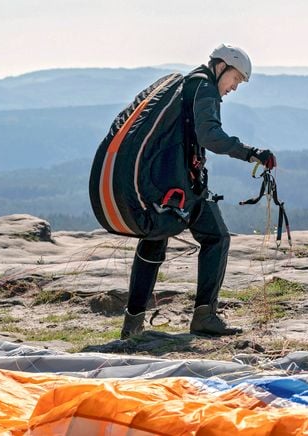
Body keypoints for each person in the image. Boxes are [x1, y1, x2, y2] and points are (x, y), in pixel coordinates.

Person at [120, 44, 277, 339]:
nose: (234, 88)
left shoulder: (188, 83)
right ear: (222, 67)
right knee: (216, 237)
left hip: (163, 182)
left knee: (153, 244)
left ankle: (132, 325)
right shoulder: (204, 88)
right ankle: (205, 316)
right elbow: (210, 136)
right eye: (236, 80)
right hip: (181, 186)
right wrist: (251, 153)